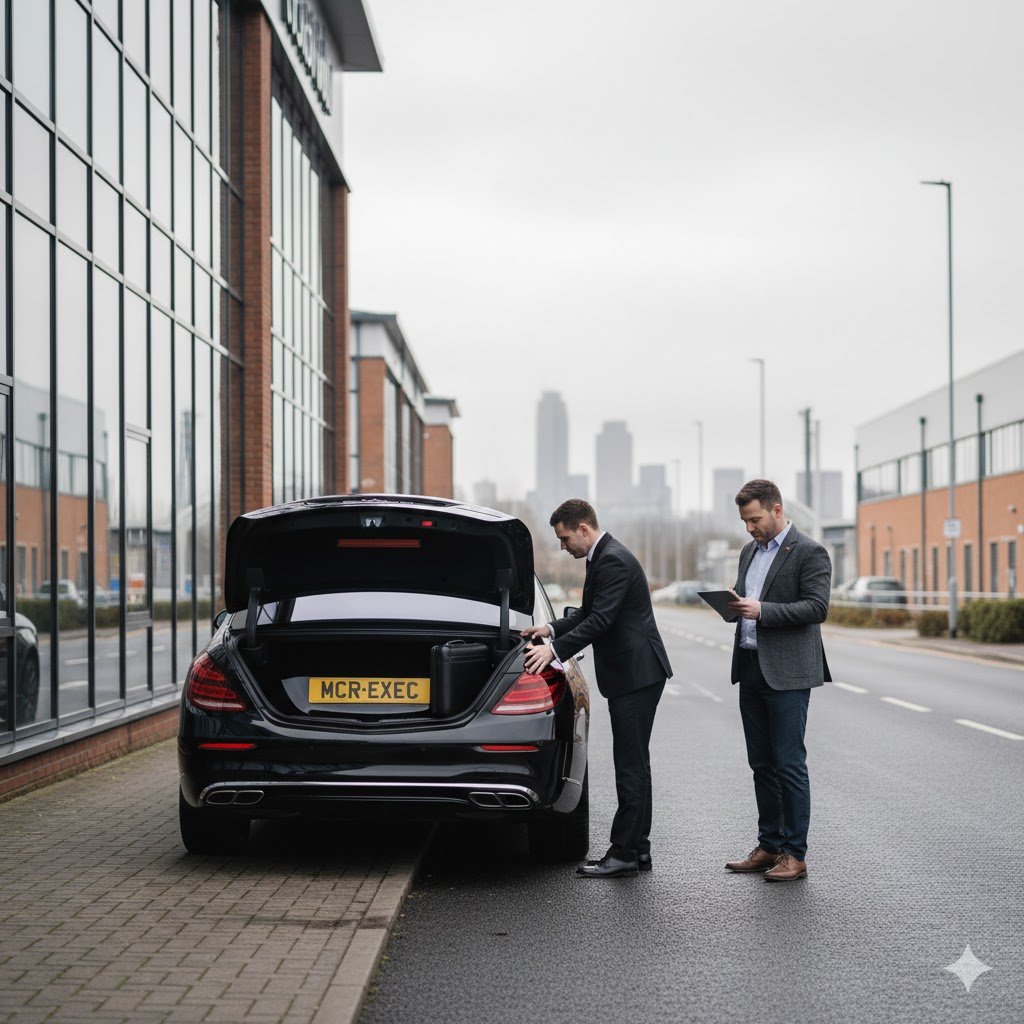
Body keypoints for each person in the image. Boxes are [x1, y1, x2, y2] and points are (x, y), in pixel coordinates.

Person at [522, 499, 672, 879]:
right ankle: (637, 850)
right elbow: (591, 612)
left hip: (636, 675)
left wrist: (552, 652)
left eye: (564, 537)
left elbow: (601, 620)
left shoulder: (613, 560)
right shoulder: (603, 556)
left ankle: (623, 853)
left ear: (584, 529)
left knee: (630, 766)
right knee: (636, 763)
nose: (562, 546)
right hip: (634, 673)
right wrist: (552, 629)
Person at [725, 479, 831, 882]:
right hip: (750, 666)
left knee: (789, 764)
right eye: (744, 521)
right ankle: (769, 844)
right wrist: (733, 606)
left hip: (788, 673)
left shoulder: (809, 551)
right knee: (761, 764)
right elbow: (748, 603)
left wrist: (762, 610)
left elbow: (816, 607)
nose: (750, 528)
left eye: (754, 519)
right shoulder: (749, 551)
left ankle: (795, 854)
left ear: (776, 509)